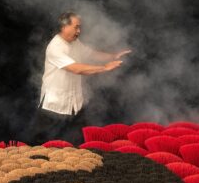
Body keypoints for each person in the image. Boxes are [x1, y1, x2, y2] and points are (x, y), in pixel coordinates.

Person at [29, 11, 131, 145]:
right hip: (54, 104)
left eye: (79, 27)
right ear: (64, 27)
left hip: (74, 102)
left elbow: (91, 54)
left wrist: (113, 56)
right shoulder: (55, 48)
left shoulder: (75, 43)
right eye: (76, 27)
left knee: (79, 141)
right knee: (39, 143)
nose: (79, 31)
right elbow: (76, 68)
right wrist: (105, 68)